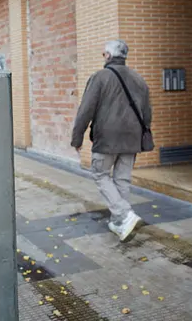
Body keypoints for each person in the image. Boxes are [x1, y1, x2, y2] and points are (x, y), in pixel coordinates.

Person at [71, 40, 152, 241]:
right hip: (132, 139)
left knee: (100, 174)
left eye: (103, 54)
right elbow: (147, 114)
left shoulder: (100, 77)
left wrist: (77, 138)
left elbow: (86, 110)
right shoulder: (139, 79)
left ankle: (125, 214)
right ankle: (120, 223)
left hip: (107, 138)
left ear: (108, 55)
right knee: (122, 179)